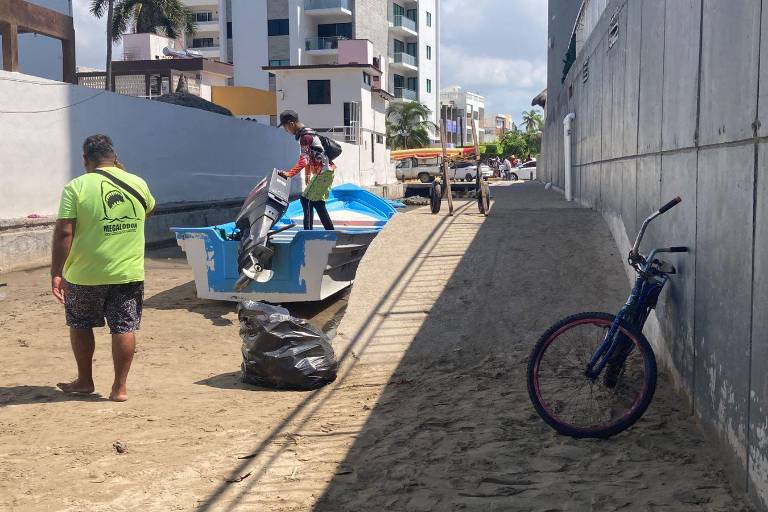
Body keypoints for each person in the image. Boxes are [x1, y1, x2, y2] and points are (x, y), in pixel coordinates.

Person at [51, 134, 155, 402]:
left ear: (86, 160)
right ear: (115, 157)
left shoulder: (76, 187)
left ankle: (85, 381)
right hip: (127, 273)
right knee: (123, 326)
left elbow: (64, 232)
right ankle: (119, 389)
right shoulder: (137, 182)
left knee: (81, 323)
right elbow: (149, 210)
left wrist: (57, 272)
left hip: (85, 274)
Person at [277, 110, 335, 231]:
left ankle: (307, 233)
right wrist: (308, 174)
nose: (285, 130)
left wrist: (289, 174)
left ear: (291, 124)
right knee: (318, 203)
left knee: (306, 200)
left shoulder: (305, 137)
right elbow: (310, 156)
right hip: (324, 172)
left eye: (285, 127)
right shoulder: (307, 133)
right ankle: (330, 231)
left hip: (323, 173)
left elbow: (304, 160)